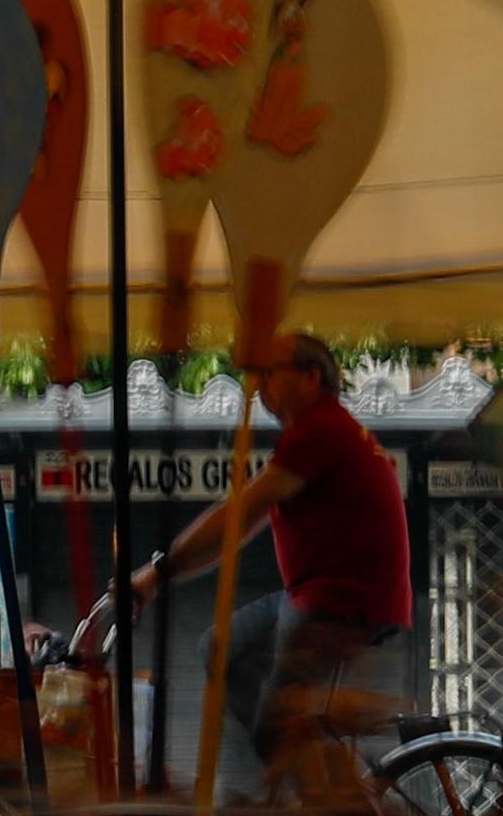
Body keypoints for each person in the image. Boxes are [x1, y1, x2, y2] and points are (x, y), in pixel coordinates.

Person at [133, 332, 412, 789]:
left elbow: (238, 515)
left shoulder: (322, 431)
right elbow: (244, 522)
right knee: (221, 649)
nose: (258, 384)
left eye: (269, 372)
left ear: (310, 376)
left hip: (341, 598)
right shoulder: (317, 435)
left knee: (280, 725)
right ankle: (267, 786)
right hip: (313, 591)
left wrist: (155, 574)